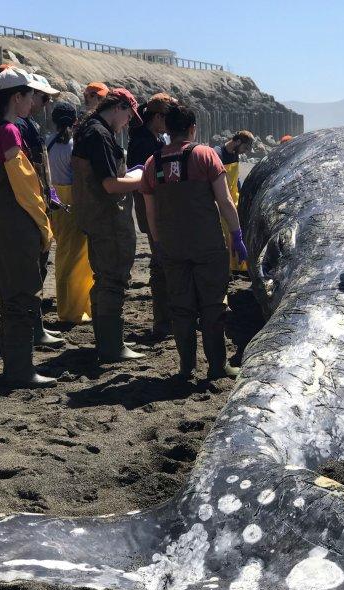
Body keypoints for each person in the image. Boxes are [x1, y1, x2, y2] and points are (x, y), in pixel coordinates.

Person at [141, 103, 249, 379]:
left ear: (167, 128)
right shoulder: (205, 155)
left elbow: (150, 213)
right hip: (207, 244)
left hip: (172, 246)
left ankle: (186, 366)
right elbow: (225, 201)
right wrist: (237, 235)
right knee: (213, 305)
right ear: (192, 128)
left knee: (181, 307)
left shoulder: (153, 163)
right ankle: (216, 365)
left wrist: (159, 245)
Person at [0, 67, 56, 388]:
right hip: (17, 223)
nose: (34, 101)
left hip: (1, 223)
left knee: (9, 295)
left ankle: (15, 367)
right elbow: (25, 187)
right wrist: (43, 224)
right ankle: (21, 370)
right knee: (23, 295)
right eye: (30, 95)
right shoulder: (10, 132)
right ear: (16, 97)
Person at [72, 88, 144, 363]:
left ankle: (107, 342)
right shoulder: (99, 134)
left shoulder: (88, 129)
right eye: (128, 115)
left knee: (103, 278)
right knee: (113, 279)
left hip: (95, 215)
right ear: (118, 107)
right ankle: (112, 346)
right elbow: (110, 184)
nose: (128, 122)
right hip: (107, 217)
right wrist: (144, 179)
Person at [16, 72, 64, 347]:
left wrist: (51, 194)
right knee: (35, 268)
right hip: (33, 205)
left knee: (36, 267)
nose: (46, 104)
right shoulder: (24, 127)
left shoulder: (25, 125)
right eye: (44, 98)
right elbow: (32, 169)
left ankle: (34, 326)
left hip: (38, 200)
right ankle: (34, 328)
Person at [127, 93, 174, 338]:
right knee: (161, 263)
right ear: (157, 117)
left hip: (151, 207)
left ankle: (166, 318)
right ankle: (163, 321)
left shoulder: (148, 137)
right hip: (151, 207)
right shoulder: (144, 141)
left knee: (163, 262)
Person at [47, 101, 94, 324]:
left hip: (54, 201)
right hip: (72, 201)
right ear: (75, 121)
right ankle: (74, 309)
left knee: (63, 254)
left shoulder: (47, 143)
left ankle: (68, 306)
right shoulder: (73, 146)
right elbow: (79, 179)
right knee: (77, 258)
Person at [214, 130, 254, 272]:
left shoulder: (235, 155)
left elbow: (235, 180)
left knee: (239, 231)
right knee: (227, 234)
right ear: (237, 141)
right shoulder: (217, 154)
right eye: (245, 148)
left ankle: (240, 266)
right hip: (222, 201)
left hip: (234, 199)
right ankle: (230, 267)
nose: (245, 152)